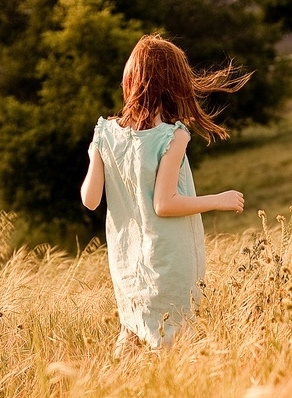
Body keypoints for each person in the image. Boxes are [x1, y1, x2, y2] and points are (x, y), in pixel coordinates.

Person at [81, 34, 251, 356]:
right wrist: (219, 200)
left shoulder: (105, 132)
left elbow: (90, 200)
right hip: (168, 258)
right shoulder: (173, 136)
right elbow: (165, 203)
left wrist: (97, 151)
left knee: (131, 330)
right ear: (173, 83)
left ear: (131, 79)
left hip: (126, 261)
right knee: (172, 340)